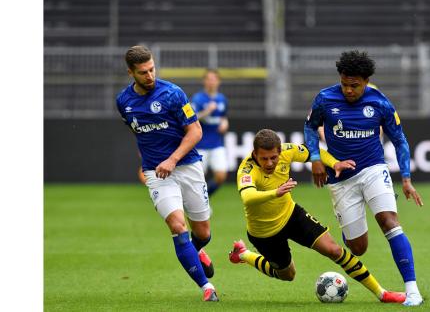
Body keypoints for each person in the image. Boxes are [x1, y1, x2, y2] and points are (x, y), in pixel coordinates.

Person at [228, 128, 406, 303]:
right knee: (287, 275)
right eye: (264, 158)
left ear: (280, 151)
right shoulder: (247, 169)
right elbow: (248, 197)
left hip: (291, 215)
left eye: (273, 158)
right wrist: (276, 192)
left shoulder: (288, 151)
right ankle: (244, 254)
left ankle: (382, 294)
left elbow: (315, 152)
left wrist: (334, 163)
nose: (269, 163)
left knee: (335, 250)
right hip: (264, 232)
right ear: (254, 154)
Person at [304, 50, 424, 306]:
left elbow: (400, 140)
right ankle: (352, 228)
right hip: (340, 178)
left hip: (373, 169)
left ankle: (412, 290)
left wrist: (405, 178)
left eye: (355, 86)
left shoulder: (380, 103)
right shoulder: (325, 98)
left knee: (389, 221)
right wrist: (315, 157)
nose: (349, 90)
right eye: (345, 84)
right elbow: (310, 126)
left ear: (366, 81)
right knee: (358, 248)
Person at [116, 45, 218, 302]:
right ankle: (207, 287)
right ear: (130, 72)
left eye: (152, 69)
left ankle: (198, 251)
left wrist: (172, 159)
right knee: (177, 225)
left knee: (203, 232)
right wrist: (148, 163)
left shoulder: (173, 93)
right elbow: (139, 133)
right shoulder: (124, 102)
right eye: (143, 72)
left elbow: (195, 131)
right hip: (157, 173)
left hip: (187, 166)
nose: (150, 75)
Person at [190, 69, 229, 197]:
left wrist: (225, 123)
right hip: (200, 144)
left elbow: (223, 116)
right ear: (204, 81)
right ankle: (198, 203)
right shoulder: (198, 98)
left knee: (221, 176)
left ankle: (205, 199)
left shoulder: (222, 99)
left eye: (214, 79)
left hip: (217, 143)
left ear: (218, 81)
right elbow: (191, 118)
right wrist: (207, 111)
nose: (211, 82)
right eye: (208, 79)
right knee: (197, 180)